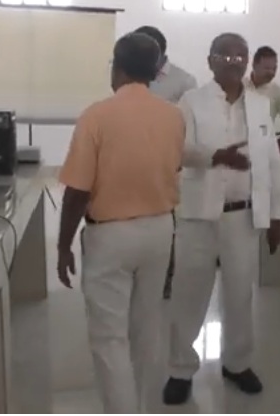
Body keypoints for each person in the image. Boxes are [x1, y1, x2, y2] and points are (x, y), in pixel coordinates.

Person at [57, 32, 185, 413]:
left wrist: (63, 245)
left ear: (117, 68)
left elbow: (77, 192)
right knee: (146, 330)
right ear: (156, 72)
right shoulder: (173, 117)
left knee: (109, 338)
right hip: (160, 231)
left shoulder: (97, 116)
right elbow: (173, 169)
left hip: (111, 236)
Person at [163, 33, 280, 405]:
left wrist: (276, 215)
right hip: (198, 215)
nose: (234, 61)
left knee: (239, 294)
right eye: (225, 55)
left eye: (240, 55)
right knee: (189, 293)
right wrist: (216, 156)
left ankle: (237, 363)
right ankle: (180, 369)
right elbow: (176, 150)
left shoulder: (261, 105)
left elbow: (273, 163)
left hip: (243, 216)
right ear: (210, 60)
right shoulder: (191, 101)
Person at [134, 25, 197, 301]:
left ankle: (166, 280)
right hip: (133, 161)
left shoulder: (184, 82)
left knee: (166, 222)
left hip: (168, 164)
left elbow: (188, 127)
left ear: (160, 52)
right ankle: (138, 275)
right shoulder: (134, 77)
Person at [244, 46, 280, 137]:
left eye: (274, 69)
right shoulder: (237, 86)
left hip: (262, 143)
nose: (271, 73)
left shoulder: (279, 95)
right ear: (254, 65)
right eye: (267, 68)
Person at [134, 25, 198, 104]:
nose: (140, 60)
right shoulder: (128, 77)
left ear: (160, 53)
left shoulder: (185, 82)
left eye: (145, 56)